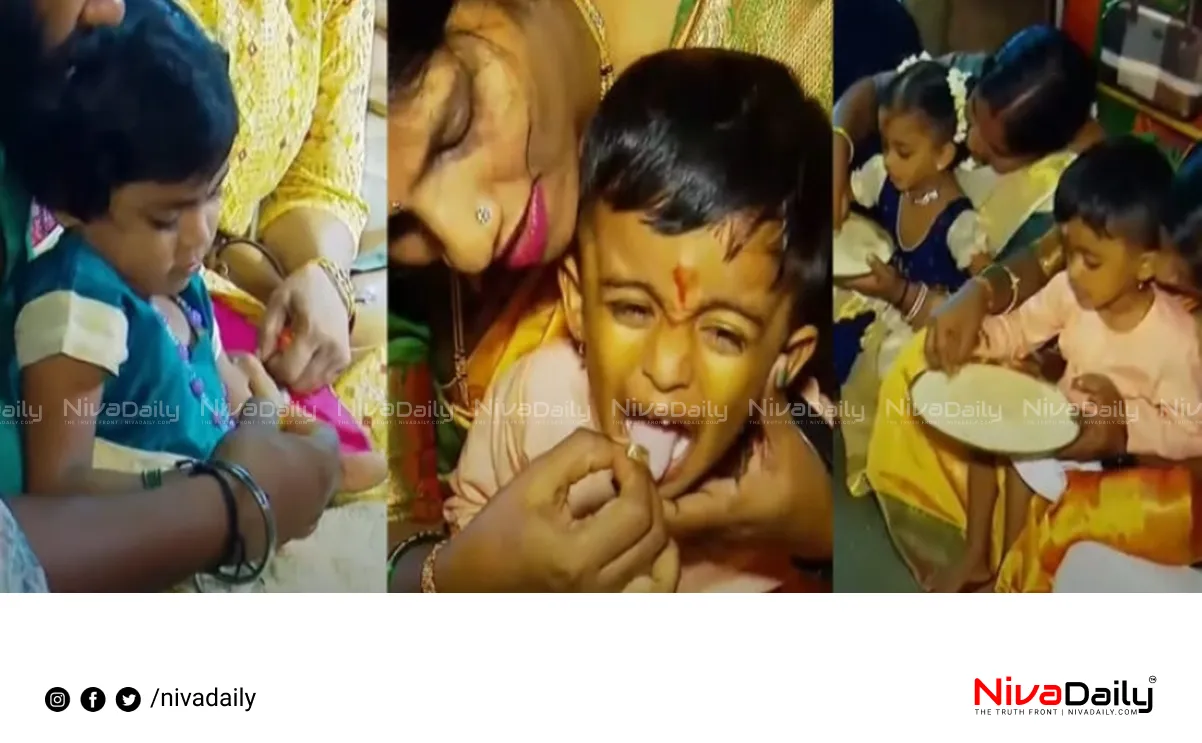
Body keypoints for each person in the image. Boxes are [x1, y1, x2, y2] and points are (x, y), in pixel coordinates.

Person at [387, 0, 834, 591]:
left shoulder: (807, 29)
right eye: (398, 227)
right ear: (578, 299)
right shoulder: (530, 402)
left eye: (455, 124)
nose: (472, 248)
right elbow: (448, 520)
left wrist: (820, 526)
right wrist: (464, 579)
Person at [0, 0, 344, 592]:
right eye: (165, 219)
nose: (202, 233)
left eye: (214, 195)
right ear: (67, 207)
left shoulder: (176, 287)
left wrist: (289, 432)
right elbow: (58, 485)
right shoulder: (80, 303)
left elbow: (231, 389)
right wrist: (217, 494)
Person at [837, 27, 1109, 584]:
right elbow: (871, 92)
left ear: (1044, 149)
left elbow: (1025, 294)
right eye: (974, 123)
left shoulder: (1078, 189)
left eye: (996, 149)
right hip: (923, 275)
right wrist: (837, 145)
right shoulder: (993, 82)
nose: (973, 146)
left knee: (922, 373)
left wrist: (915, 295)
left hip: (999, 325)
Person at [939, 138, 1202, 591]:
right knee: (987, 432)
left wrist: (1122, 421)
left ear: (1146, 266)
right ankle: (985, 555)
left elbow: (1189, 430)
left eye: (1091, 260)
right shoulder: (1071, 291)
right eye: (1069, 251)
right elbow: (1023, 325)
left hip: (1111, 462)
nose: (1074, 271)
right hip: (1055, 422)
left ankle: (1014, 574)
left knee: (1038, 486)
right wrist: (986, 340)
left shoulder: (1174, 342)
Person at [834, 55, 988, 466]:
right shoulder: (887, 179)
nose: (887, 160)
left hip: (924, 322)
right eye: (884, 146)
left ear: (941, 156)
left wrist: (902, 294)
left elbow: (984, 296)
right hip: (880, 300)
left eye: (902, 151)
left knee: (891, 375)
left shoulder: (961, 224)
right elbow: (848, 190)